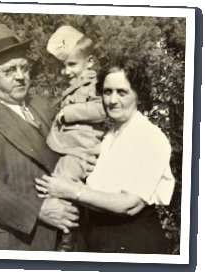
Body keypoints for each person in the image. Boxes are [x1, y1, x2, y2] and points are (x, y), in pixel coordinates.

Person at [0, 23, 81, 251]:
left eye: (24, 67)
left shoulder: (43, 106)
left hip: (63, 237)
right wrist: (39, 210)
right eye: (10, 70)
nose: (21, 77)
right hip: (15, 242)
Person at [35, 58, 176, 254]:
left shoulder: (150, 137)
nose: (112, 100)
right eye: (107, 91)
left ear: (138, 95)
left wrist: (73, 190)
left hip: (132, 241)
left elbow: (129, 204)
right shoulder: (108, 137)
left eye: (122, 92)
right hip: (95, 239)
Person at [45, 25, 106, 251]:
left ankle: (67, 241)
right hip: (71, 148)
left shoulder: (95, 84)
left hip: (82, 150)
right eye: (64, 66)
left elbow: (102, 109)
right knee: (57, 187)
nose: (66, 71)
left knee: (63, 188)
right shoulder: (76, 86)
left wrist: (69, 113)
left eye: (72, 64)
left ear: (89, 62)